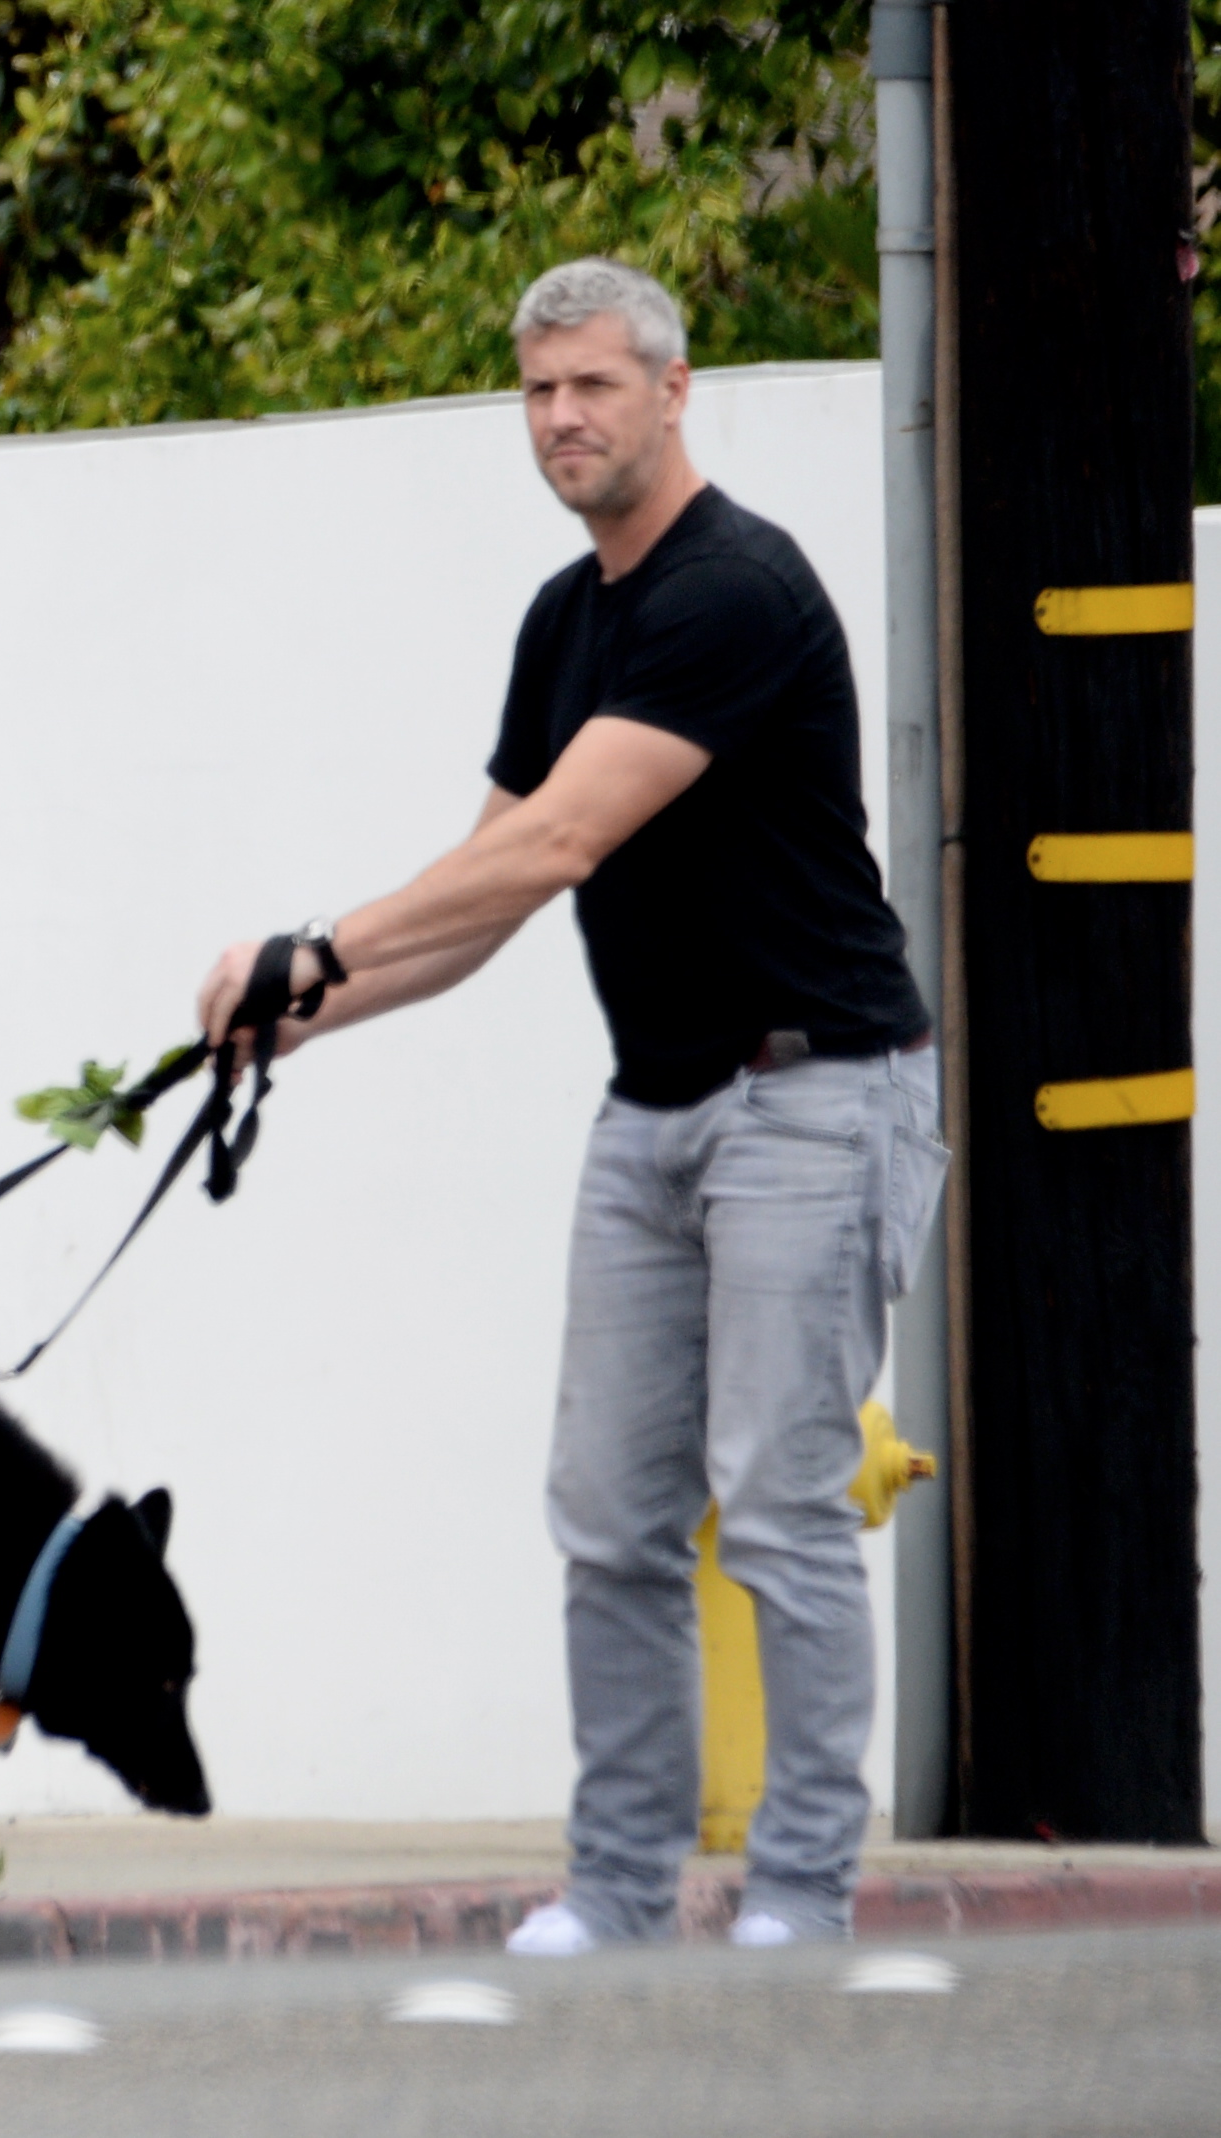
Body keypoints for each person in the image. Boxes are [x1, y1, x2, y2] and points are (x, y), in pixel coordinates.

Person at [194, 257, 942, 1951]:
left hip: (816, 1096)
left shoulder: (735, 589)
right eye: (538, 391)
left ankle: (804, 1899)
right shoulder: (568, 617)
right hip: (660, 1107)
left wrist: (307, 940)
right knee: (608, 1511)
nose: (562, 420)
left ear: (675, 392)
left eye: (594, 386)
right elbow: (486, 894)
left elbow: (560, 841)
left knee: (778, 1496)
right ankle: (615, 1890)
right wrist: (300, 1013)